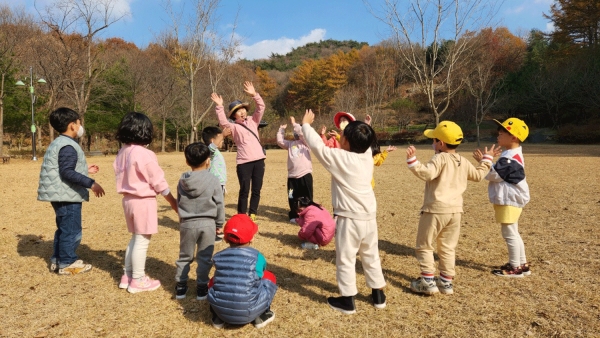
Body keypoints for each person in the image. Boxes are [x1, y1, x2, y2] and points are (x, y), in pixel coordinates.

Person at [301, 109, 386, 314]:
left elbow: (317, 147)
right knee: (370, 254)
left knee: (346, 258)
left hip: (349, 219)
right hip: (369, 218)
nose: (341, 137)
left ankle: (347, 301)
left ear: (346, 142)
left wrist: (305, 125)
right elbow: (366, 141)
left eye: (343, 136)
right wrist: (366, 126)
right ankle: (378, 295)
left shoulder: (340, 159)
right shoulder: (366, 156)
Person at [405, 121, 496, 295]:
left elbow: (428, 173)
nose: (432, 143)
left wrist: (412, 162)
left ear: (441, 143)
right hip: (455, 212)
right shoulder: (462, 160)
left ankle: (427, 281)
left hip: (435, 210)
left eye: (434, 140)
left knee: (424, 245)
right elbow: (477, 175)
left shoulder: (439, 158)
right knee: (447, 247)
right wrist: (487, 160)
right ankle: (446, 282)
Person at [114, 112, 177, 293]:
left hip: (128, 200)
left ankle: (128, 275)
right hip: (143, 201)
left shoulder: (122, 152)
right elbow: (157, 180)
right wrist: (172, 201)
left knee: (135, 238)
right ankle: (139, 280)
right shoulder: (144, 154)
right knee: (142, 240)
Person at [38, 107, 105, 275]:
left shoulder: (59, 142)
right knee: (71, 230)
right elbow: (67, 171)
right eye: (78, 123)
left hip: (61, 194)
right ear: (72, 125)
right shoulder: (68, 145)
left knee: (63, 228)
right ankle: (68, 262)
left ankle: (57, 259)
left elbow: (64, 166)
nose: (80, 126)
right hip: (67, 196)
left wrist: (84, 168)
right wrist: (91, 183)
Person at [474, 118, 531, 278]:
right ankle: (522, 264)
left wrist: (484, 160)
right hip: (511, 200)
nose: (498, 134)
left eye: (503, 131)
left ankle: (515, 267)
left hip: (509, 201)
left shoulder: (510, 158)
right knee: (514, 231)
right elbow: (498, 173)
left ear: (514, 137)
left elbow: (494, 175)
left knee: (509, 233)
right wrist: (487, 161)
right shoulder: (511, 155)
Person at [207, 214, 277, 329]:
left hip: (220, 310)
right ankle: (262, 315)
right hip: (249, 310)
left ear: (225, 238)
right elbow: (261, 273)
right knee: (269, 277)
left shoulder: (218, 256)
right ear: (252, 238)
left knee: (213, 281)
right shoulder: (257, 257)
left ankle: (217, 317)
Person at [175, 142, 225, 300]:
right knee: (205, 257)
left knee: (185, 256)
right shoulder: (213, 180)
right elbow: (219, 203)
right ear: (208, 160)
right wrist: (219, 223)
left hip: (187, 224)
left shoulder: (182, 181)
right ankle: (202, 287)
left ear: (187, 161)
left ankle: (181, 287)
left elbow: (179, 201)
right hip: (208, 223)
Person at [211, 81, 265, 223]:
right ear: (234, 115)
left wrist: (255, 95)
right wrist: (219, 107)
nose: (242, 112)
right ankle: (242, 214)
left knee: (256, 190)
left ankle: (253, 213)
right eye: (238, 111)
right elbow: (223, 123)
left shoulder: (254, 121)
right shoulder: (233, 127)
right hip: (244, 162)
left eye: (243, 109)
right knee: (244, 189)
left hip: (259, 160)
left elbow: (261, 108)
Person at [276, 116, 313, 223]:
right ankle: (293, 214)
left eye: (297, 131)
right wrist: (281, 130)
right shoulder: (290, 144)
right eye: (294, 132)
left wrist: (294, 124)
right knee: (292, 196)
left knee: (307, 196)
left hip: (305, 174)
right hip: (292, 176)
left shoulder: (306, 143)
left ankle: (308, 214)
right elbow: (280, 141)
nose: (296, 133)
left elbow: (303, 134)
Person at [201, 126, 231, 193]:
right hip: (214, 184)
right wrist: (222, 135)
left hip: (220, 184)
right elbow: (212, 147)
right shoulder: (210, 151)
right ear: (212, 141)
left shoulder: (216, 152)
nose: (222, 140)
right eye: (220, 138)